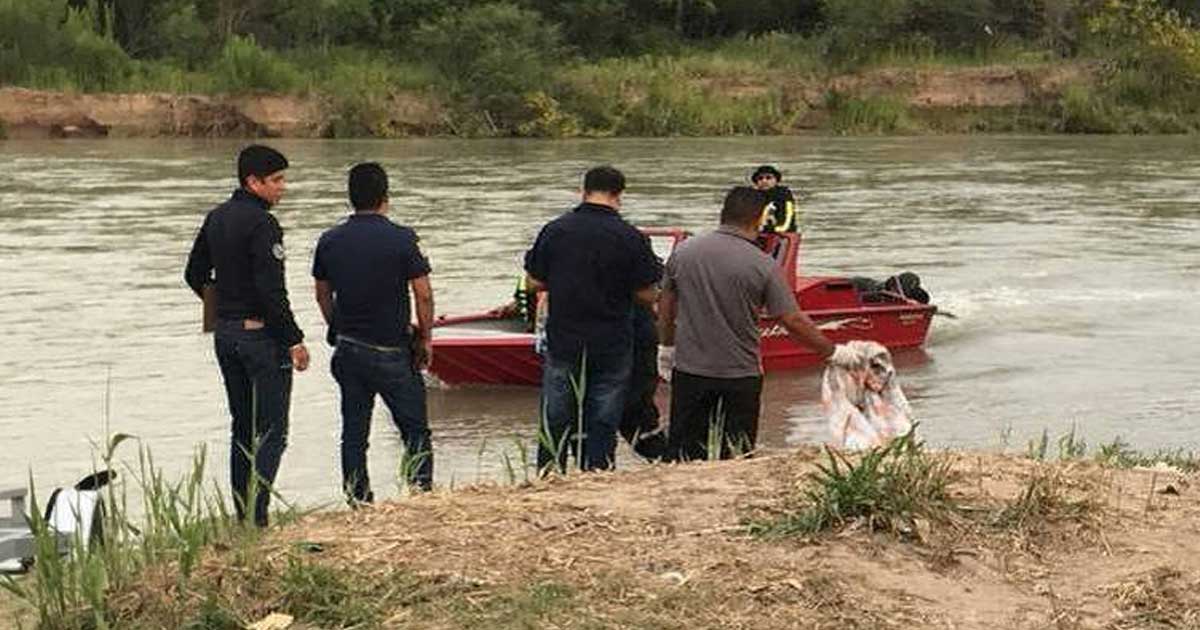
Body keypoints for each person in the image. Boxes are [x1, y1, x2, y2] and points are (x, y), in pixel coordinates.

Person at [658, 186, 835, 462]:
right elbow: (792, 319)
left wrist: (666, 348)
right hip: (740, 375)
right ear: (758, 218)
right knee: (738, 455)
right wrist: (832, 352)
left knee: (684, 454)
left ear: (723, 214)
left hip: (690, 371)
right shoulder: (763, 264)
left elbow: (666, 306)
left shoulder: (683, 253)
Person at [185, 144, 309, 527]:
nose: (282, 188)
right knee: (273, 431)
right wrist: (294, 339)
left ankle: (243, 515)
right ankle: (258, 517)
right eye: (276, 180)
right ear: (252, 182)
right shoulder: (263, 224)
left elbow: (193, 273)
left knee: (242, 427)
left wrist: (222, 313)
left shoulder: (217, 217)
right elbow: (272, 290)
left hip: (226, 336)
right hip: (260, 339)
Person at [525, 166, 662, 473]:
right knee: (603, 414)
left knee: (556, 415)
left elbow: (533, 282)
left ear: (583, 190)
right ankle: (597, 474)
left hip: (564, 339)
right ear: (619, 196)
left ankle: (548, 476)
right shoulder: (630, 236)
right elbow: (646, 294)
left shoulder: (555, 230)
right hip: (611, 341)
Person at [313, 163, 435, 501]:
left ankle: (358, 499)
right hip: (392, 350)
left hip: (349, 348)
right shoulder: (402, 238)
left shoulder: (329, 240)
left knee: (354, 433)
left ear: (351, 198)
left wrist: (337, 327)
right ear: (385, 197)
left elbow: (322, 293)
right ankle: (421, 494)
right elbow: (423, 293)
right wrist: (426, 338)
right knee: (414, 430)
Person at [750, 165, 799, 233]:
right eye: (760, 178)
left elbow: (788, 220)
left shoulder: (784, 195)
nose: (764, 181)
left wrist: (773, 230)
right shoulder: (752, 196)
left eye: (768, 178)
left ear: (776, 180)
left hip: (781, 233)